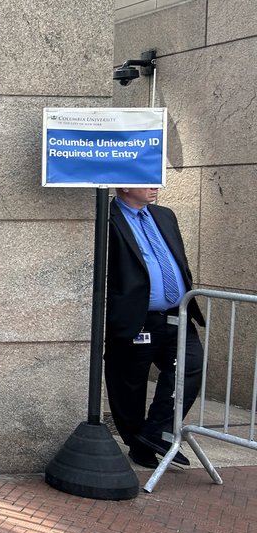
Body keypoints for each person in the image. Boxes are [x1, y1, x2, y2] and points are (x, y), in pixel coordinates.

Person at [105, 186, 204, 468]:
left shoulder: (164, 215)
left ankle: (154, 432)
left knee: (191, 366)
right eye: (147, 180)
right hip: (136, 318)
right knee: (129, 383)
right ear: (125, 185)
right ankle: (139, 445)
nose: (155, 186)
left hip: (177, 314)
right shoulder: (107, 218)